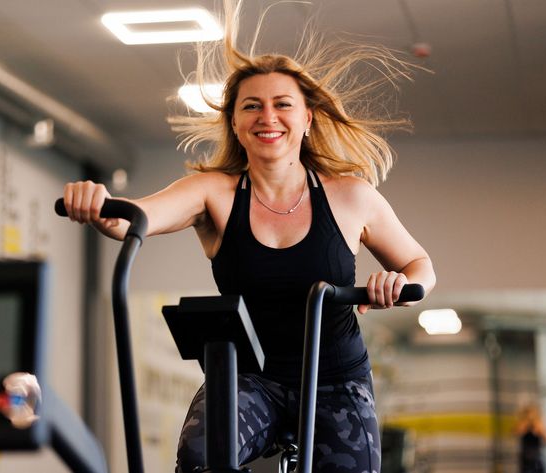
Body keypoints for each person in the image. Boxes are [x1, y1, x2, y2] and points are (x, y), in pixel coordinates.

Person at [63, 1, 436, 471]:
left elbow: (421, 267)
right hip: (248, 377)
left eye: (283, 105)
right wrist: (97, 205)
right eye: (252, 106)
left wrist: (398, 285)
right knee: (200, 457)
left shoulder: (350, 198)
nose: (268, 117)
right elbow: (129, 220)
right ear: (236, 123)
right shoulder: (213, 193)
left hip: (334, 377)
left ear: (307, 119)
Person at [514, 403, 546, 473]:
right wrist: (527, 424)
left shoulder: (539, 427)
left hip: (536, 460)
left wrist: (538, 430)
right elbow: (517, 431)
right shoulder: (523, 425)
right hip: (526, 461)